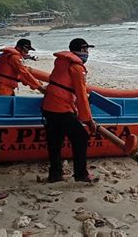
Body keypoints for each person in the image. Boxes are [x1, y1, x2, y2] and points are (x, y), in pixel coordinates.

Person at [41, 38, 98, 183]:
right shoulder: (77, 68)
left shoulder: (61, 62)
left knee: (55, 141)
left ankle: (55, 175)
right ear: (81, 50)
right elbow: (81, 96)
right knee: (81, 137)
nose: (87, 53)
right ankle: (81, 174)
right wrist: (89, 121)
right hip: (61, 108)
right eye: (86, 50)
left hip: (48, 106)